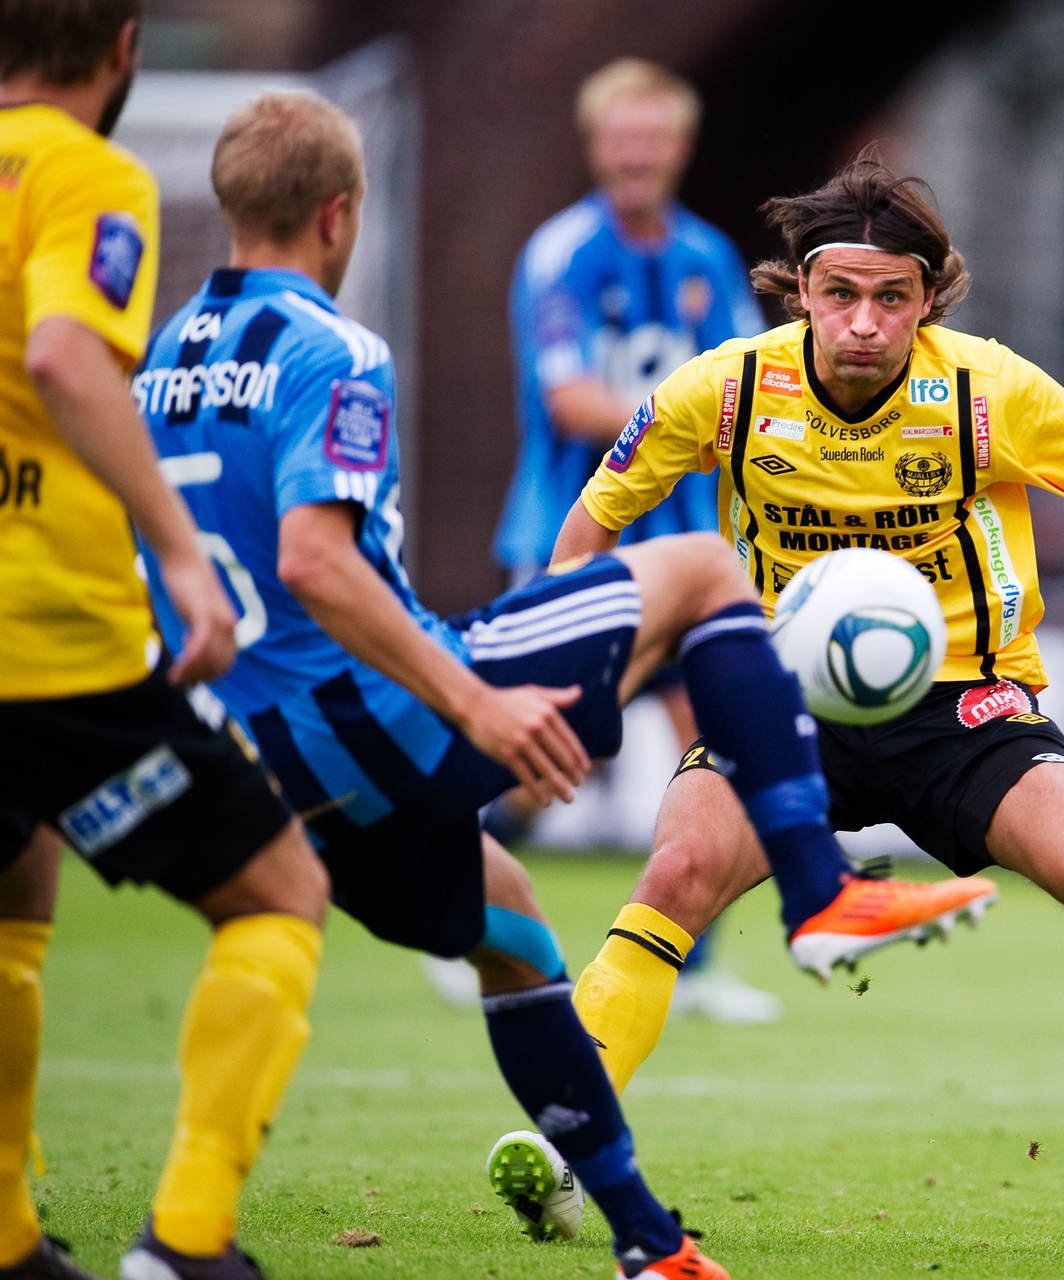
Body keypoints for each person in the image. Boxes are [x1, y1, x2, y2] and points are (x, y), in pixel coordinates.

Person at [136, 92, 990, 1280]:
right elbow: (313, 560)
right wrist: (473, 700)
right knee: (703, 576)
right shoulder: (336, 349)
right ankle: (817, 889)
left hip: (262, 757)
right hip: (383, 706)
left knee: (521, 937)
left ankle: (651, 1244)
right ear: (343, 214)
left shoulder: (161, 358)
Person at [543, 148, 1064, 1260]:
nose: (865, 321)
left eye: (892, 297)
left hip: (965, 708)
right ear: (801, 291)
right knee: (672, 875)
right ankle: (579, 1143)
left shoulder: (988, 390)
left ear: (927, 298)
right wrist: (563, 670)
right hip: (780, 706)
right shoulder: (722, 389)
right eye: (842, 294)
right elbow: (592, 520)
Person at [0, 6, 328, 1279]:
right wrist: (180, 554)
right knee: (278, 889)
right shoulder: (85, 173)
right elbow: (66, 356)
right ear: (125, 42)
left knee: (18, 890)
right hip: (54, 636)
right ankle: (190, 1242)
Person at [487, 58, 777, 1024]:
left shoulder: (706, 261)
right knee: (541, 750)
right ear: (595, 145)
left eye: (655, 136)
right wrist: (688, 428)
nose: (638, 153)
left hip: (690, 548)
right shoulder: (561, 253)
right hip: (578, 532)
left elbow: (752, 393)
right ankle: (465, 914)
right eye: (622, 136)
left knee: (716, 736)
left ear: (680, 148)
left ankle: (692, 966)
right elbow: (569, 400)